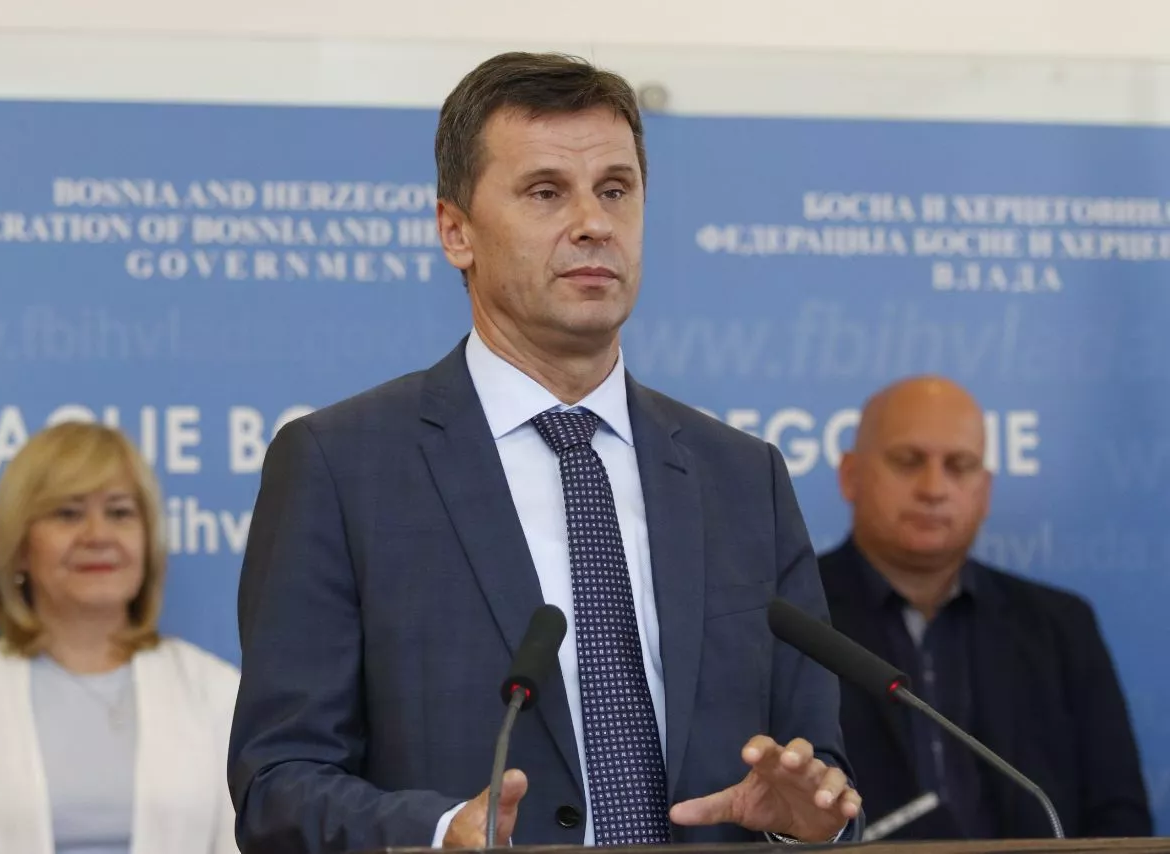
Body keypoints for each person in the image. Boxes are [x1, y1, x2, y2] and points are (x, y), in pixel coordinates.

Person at [228, 51, 862, 853]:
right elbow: (278, 783)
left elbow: (816, 768)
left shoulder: (742, 477)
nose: (594, 223)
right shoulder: (340, 467)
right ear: (455, 231)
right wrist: (435, 832)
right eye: (545, 192)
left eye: (615, 190)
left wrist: (813, 827)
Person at [819, 375, 1152, 839]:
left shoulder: (1060, 625)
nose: (934, 488)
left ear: (985, 489)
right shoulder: (794, 619)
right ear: (850, 475)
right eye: (908, 461)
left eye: (959, 465)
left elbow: (1120, 818)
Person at [0, 421, 242, 854]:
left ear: (148, 540)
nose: (98, 535)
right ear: (20, 545)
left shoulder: (216, 692)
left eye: (119, 512)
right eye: (68, 513)